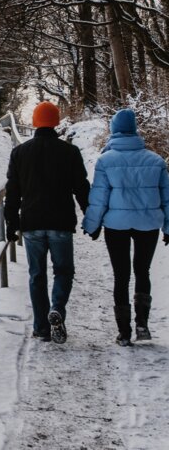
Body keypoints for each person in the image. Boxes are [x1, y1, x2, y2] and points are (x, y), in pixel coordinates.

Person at [82, 108, 169, 346]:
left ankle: (124, 332)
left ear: (113, 130)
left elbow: (99, 197)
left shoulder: (106, 161)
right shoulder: (156, 160)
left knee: (121, 275)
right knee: (143, 271)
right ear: (134, 129)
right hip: (147, 225)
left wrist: (92, 225)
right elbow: (167, 198)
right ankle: (142, 323)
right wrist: (168, 227)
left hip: (116, 227)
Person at [5, 101, 90, 344]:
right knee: (64, 271)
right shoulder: (70, 152)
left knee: (36, 274)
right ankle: (58, 310)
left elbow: (13, 192)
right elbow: (81, 188)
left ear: (35, 122)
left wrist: (11, 223)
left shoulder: (20, 153)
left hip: (31, 223)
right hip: (61, 222)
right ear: (56, 122)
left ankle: (41, 326)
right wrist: (90, 217)